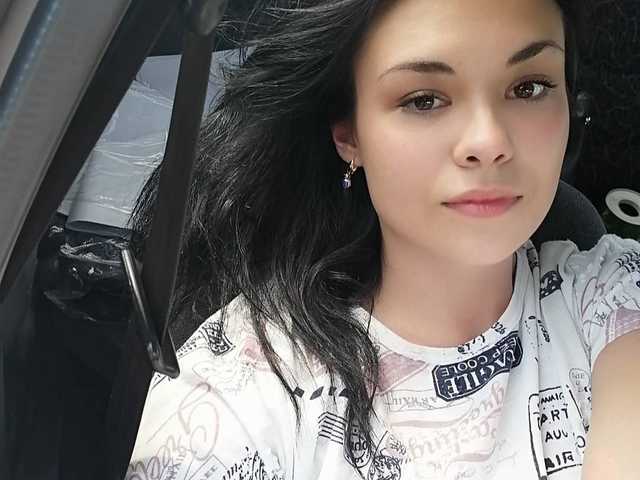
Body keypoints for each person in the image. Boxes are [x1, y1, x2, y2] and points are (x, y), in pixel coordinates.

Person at [125, 0, 640, 478]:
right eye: (424, 100)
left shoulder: (612, 295)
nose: (489, 142)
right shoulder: (240, 392)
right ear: (349, 134)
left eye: (529, 87)